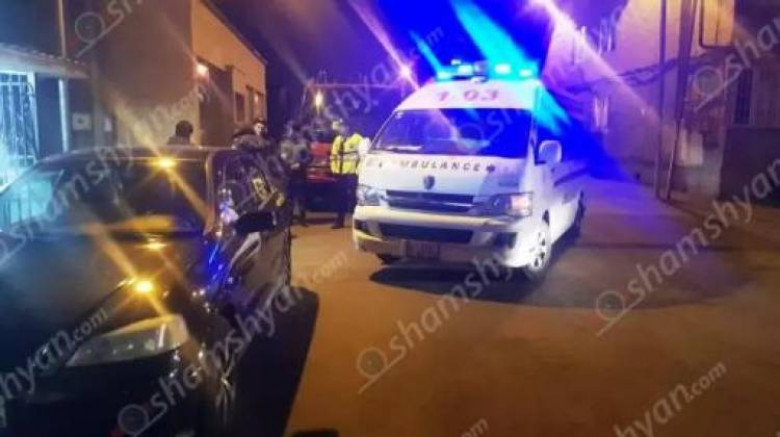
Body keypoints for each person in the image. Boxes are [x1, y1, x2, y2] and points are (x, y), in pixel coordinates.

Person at [329, 122, 363, 229]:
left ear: (348, 127)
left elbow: (362, 156)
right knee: (340, 197)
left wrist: (358, 170)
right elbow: (333, 156)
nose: (340, 129)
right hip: (340, 173)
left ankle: (357, 222)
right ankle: (339, 221)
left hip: (352, 173)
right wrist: (334, 169)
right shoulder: (338, 140)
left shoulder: (358, 139)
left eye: (342, 127)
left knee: (354, 198)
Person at [280, 123, 312, 226]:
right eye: (291, 130)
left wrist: (301, 164)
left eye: (296, 131)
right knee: (289, 197)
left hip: (300, 173)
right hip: (288, 174)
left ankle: (302, 218)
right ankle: (289, 219)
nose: (293, 133)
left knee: (301, 196)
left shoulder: (304, 144)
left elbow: (309, 157)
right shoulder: (284, 144)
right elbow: (280, 158)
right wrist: (287, 165)